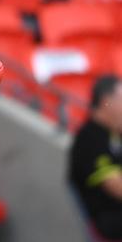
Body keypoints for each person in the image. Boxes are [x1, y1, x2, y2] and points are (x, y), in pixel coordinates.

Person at [69, 75, 122, 240]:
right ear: (107, 101)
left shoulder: (115, 134)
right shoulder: (89, 139)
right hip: (108, 222)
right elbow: (117, 187)